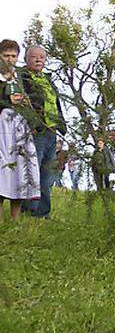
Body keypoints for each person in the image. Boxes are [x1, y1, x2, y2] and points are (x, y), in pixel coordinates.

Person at [18, 45, 65, 218]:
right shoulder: (21, 78)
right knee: (32, 171)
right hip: (34, 131)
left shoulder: (48, 79)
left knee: (47, 173)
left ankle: (43, 213)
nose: (39, 60)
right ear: (26, 59)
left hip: (51, 131)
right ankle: (28, 210)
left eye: (42, 57)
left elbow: (55, 104)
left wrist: (61, 126)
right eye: (34, 57)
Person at [0, 40, 40, 219]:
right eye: (6, 55)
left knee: (20, 168)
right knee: (3, 167)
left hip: (20, 126)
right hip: (2, 126)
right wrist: (8, 100)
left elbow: (32, 100)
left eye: (13, 56)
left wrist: (27, 106)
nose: (10, 59)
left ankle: (14, 220)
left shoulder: (21, 77)